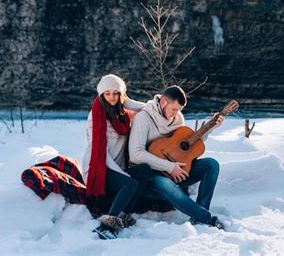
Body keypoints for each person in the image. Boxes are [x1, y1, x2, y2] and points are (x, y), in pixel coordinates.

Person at [128, 85, 226, 230]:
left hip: (176, 172)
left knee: (211, 164)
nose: (176, 114)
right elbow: (135, 154)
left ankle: (199, 215)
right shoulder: (143, 118)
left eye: (179, 110)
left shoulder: (177, 117)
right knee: (168, 186)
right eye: (173, 109)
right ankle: (206, 218)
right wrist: (169, 167)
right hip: (151, 176)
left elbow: (184, 147)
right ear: (163, 102)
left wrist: (210, 128)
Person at [82, 74, 151, 239]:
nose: (112, 97)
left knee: (144, 170)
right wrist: (122, 175)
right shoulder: (96, 116)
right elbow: (100, 154)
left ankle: (124, 214)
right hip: (99, 168)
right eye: (107, 93)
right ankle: (107, 226)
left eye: (116, 93)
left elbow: (148, 108)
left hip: (118, 168)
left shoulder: (124, 114)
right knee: (130, 183)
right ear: (101, 95)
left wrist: (126, 101)